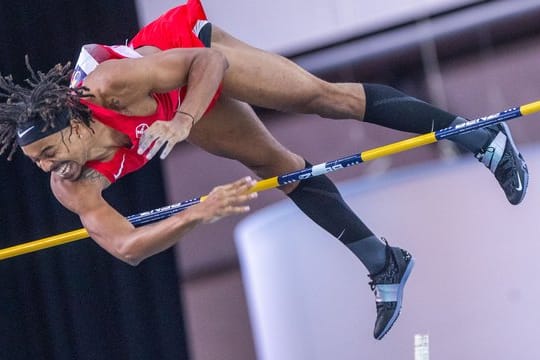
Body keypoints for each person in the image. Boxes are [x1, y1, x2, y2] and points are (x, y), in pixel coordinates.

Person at [0, 0, 528, 340]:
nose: (49, 168)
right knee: (279, 166)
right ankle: (384, 261)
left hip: (189, 54)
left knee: (324, 99)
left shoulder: (113, 84)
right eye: (38, 165)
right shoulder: (73, 184)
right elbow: (125, 247)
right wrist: (198, 214)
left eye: (47, 153)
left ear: (72, 122)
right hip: (173, 104)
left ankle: (482, 136)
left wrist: (184, 119)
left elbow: (209, 66)